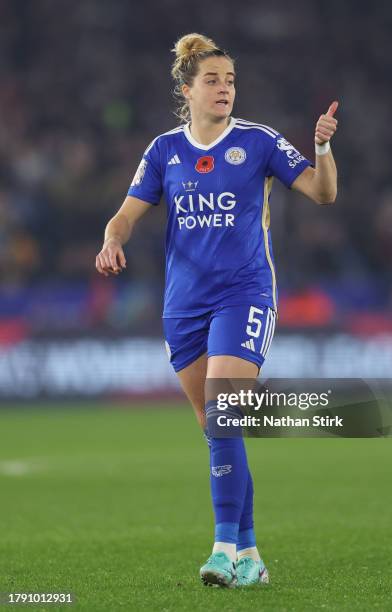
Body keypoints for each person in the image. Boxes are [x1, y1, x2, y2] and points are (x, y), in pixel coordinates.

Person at [95, 32, 338, 588]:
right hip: (183, 306)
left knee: (225, 412)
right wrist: (113, 239)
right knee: (217, 428)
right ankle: (251, 555)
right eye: (213, 80)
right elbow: (125, 215)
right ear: (188, 89)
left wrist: (322, 147)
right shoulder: (163, 151)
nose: (225, 88)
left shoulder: (258, 141)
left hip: (245, 292)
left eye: (230, 80)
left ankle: (223, 549)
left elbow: (322, 193)